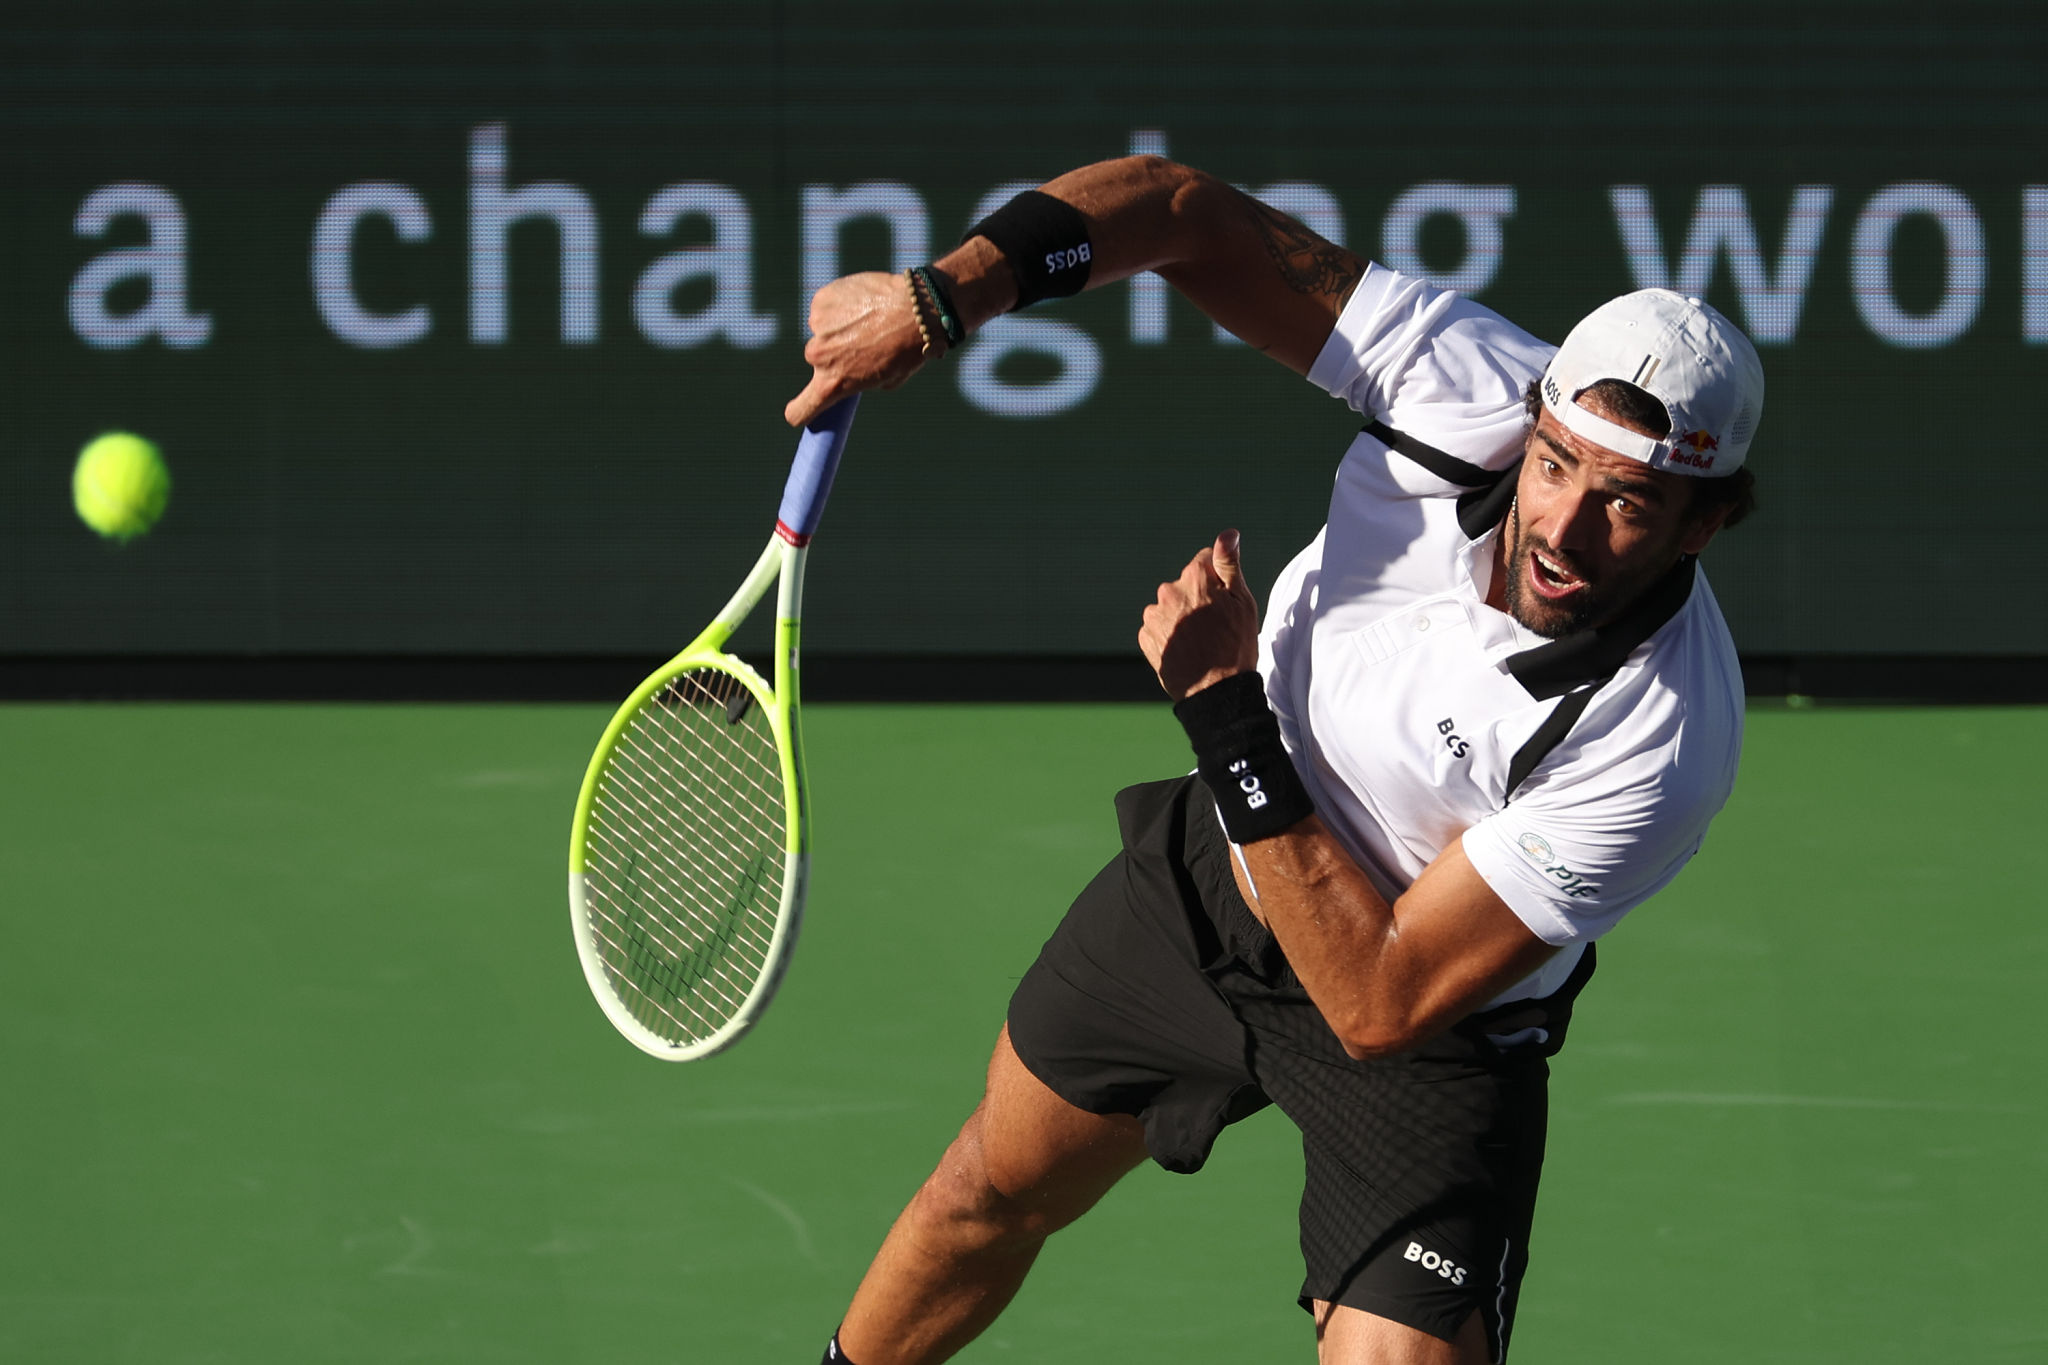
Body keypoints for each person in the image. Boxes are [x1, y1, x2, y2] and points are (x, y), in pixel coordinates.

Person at [785, 155, 1763, 1365]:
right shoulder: (1467, 384)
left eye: (1622, 503)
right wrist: (946, 299)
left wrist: (1222, 709)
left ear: (1704, 521)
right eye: (1555, 465)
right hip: (1206, 895)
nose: (1560, 527)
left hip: (1424, 1027)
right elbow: (1178, 212)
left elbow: (1379, 1000)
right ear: (1535, 419)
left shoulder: (1661, 738)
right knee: (982, 1192)